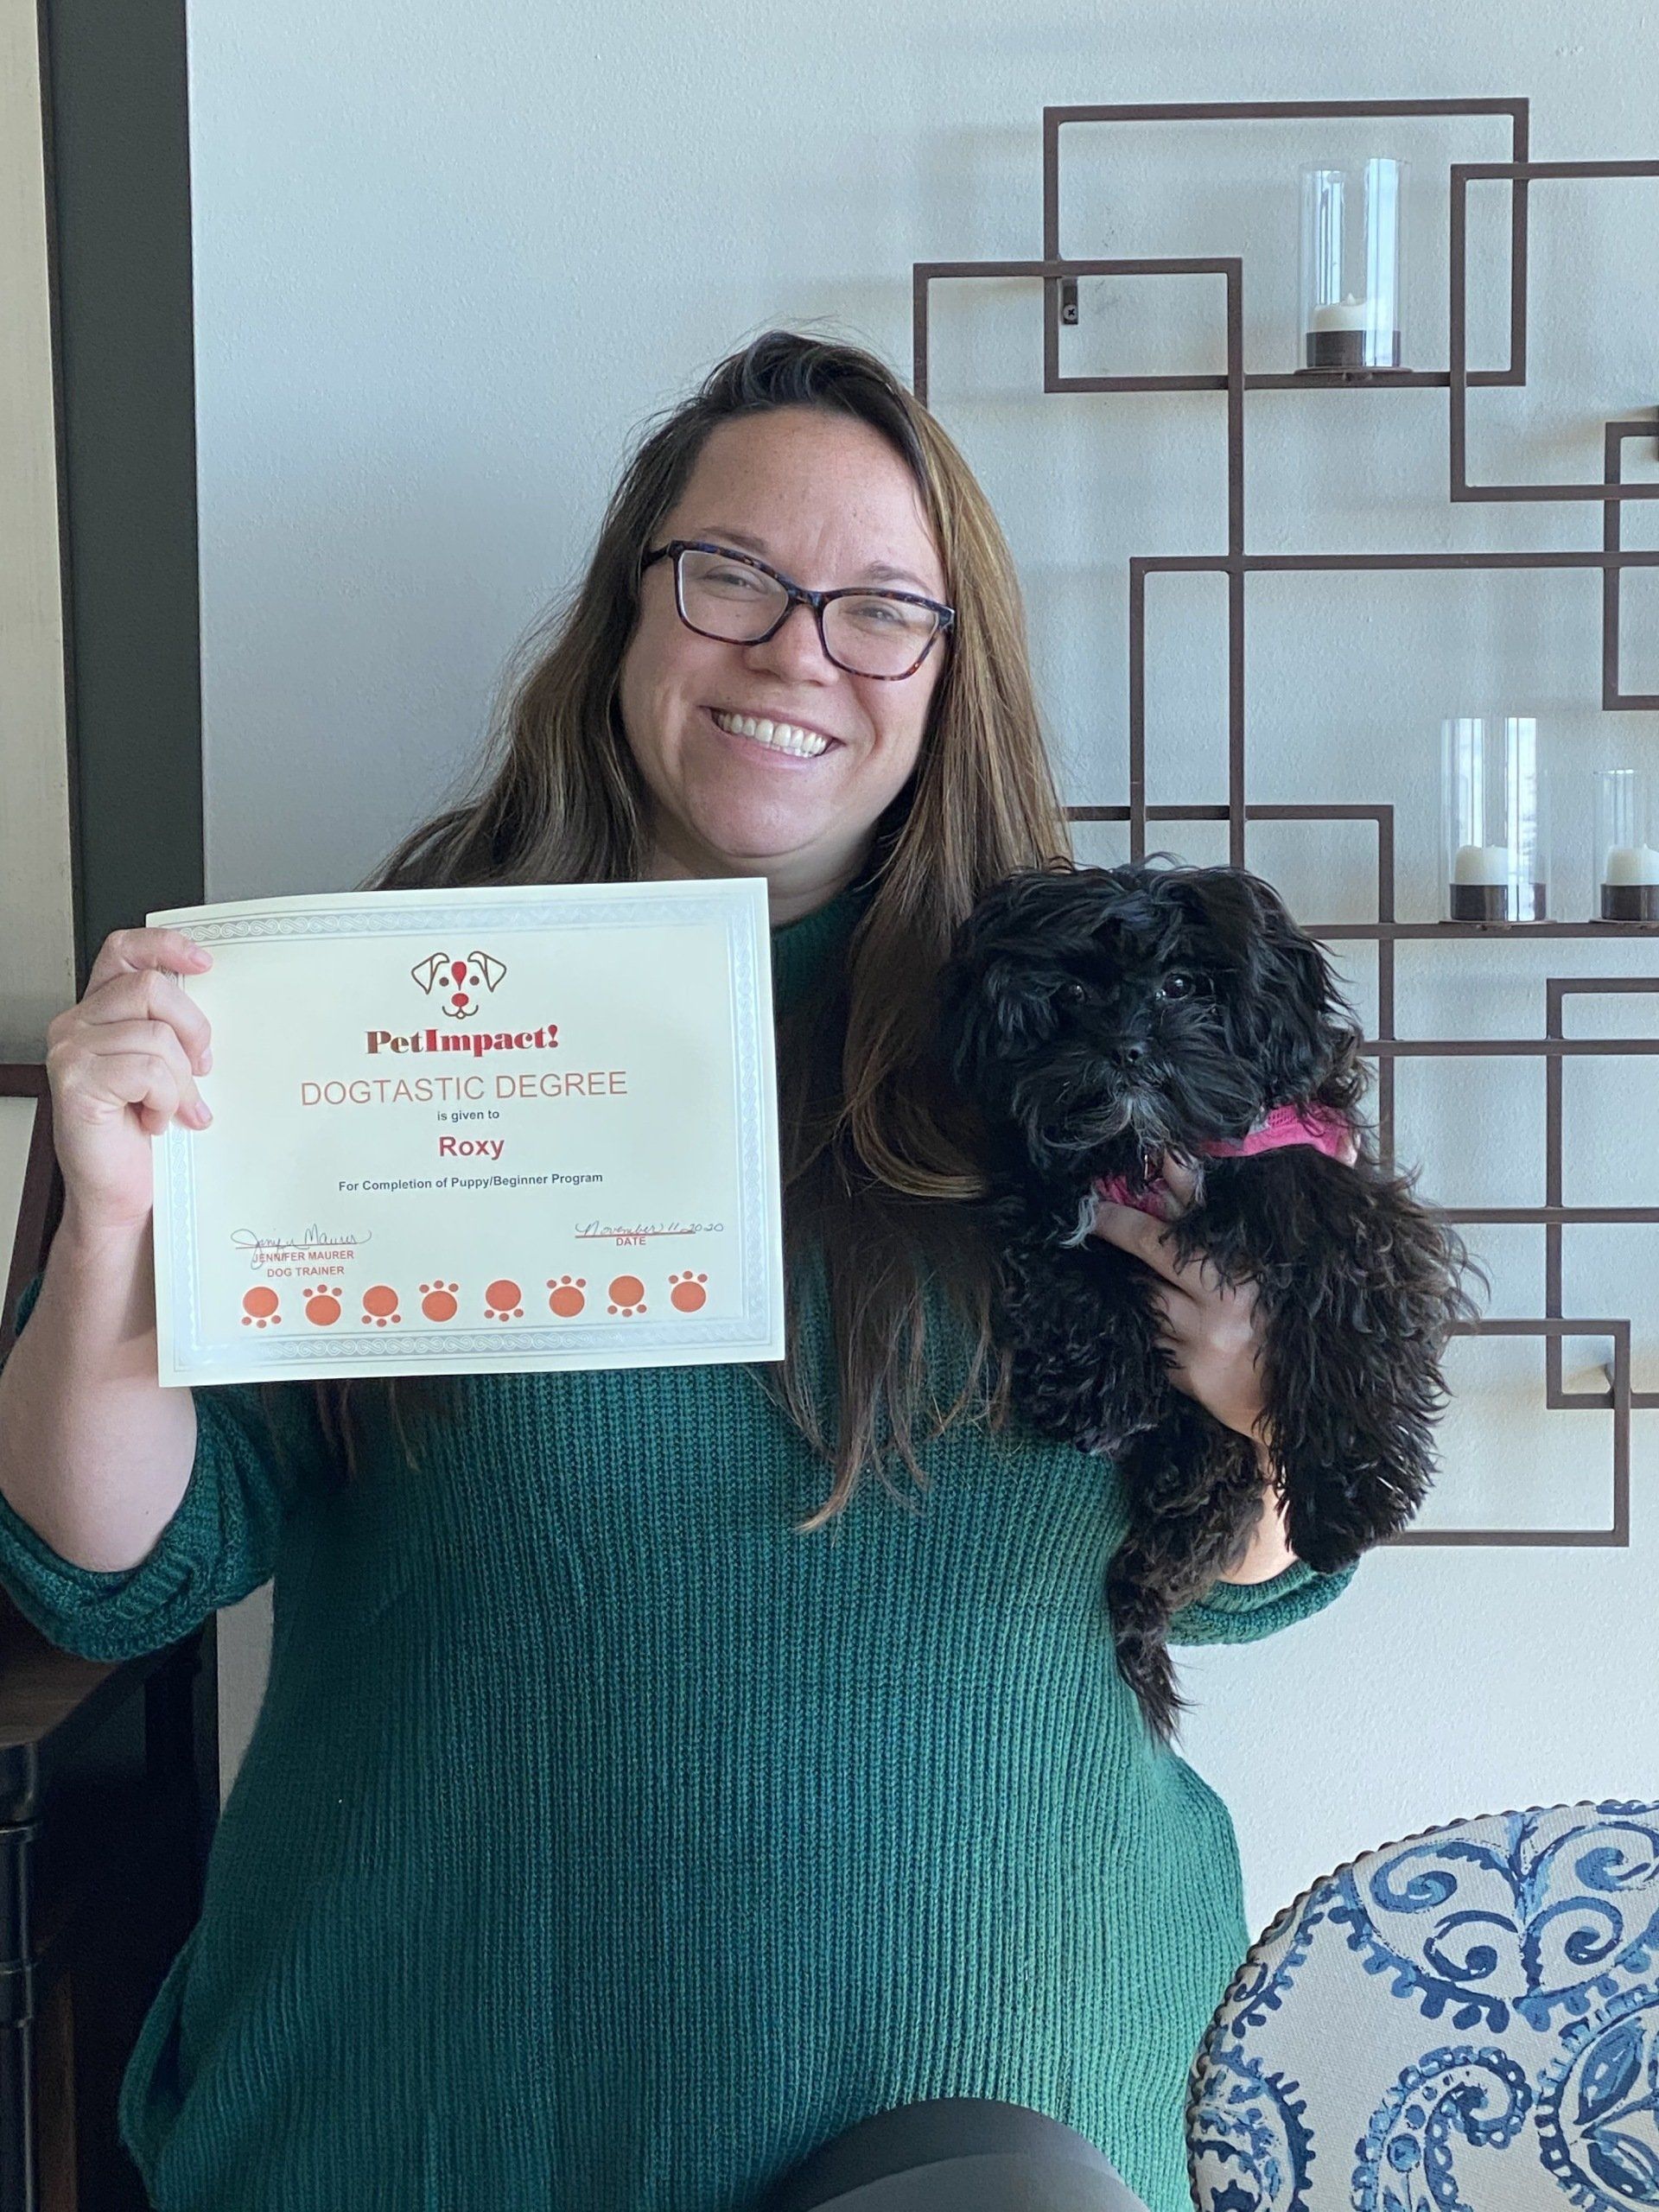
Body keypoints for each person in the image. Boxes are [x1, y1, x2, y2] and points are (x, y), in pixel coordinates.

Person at [0, 331, 1356, 2212]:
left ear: (952, 677)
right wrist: (112, 1234)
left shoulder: (1100, 1039)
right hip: (439, 2118)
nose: (799, 651)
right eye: (734, 577)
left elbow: (1218, 1586)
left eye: (882, 609)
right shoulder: (360, 1019)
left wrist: (1268, 1418)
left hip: (1013, 2123)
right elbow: (121, 1559)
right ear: (630, 606)